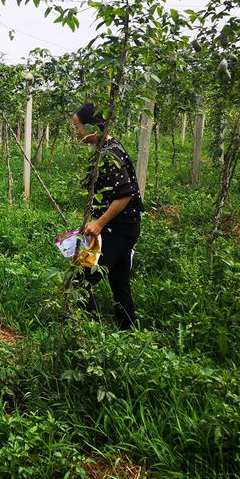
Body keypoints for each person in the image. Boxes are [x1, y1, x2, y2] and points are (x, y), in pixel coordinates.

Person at [72, 103, 144, 330]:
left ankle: (91, 334)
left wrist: (99, 223)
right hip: (126, 227)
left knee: (81, 280)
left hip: (118, 229)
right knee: (119, 283)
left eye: (78, 127)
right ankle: (128, 330)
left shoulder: (109, 154)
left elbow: (125, 194)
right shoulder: (110, 147)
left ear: (93, 126)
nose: (76, 133)